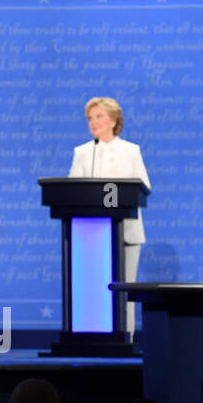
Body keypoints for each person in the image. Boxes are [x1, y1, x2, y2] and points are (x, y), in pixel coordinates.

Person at [68, 96, 150, 340]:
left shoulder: (130, 151)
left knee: (125, 288)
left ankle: (127, 337)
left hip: (127, 233)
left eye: (99, 116)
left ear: (114, 120)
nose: (93, 122)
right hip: (91, 234)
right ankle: (90, 336)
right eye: (90, 118)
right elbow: (71, 190)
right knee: (93, 290)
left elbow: (144, 186)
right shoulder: (83, 152)